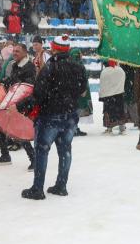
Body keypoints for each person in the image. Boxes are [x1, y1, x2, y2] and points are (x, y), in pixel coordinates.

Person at [19, 34, 88, 200]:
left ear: (54, 48)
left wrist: (22, 105)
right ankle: (61, 185)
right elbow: (82, 89)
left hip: (50, 115)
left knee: (42, 150)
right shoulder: (78, 67)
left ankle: (37, 189)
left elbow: (39, 93)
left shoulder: (50, 67)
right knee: (65, 150)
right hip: (70, 115)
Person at [0, 43, 37, 167]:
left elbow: (28, 88)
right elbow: (13, 80)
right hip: (13, 100)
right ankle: (5, 155)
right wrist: (1, 82)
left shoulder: (30, 67)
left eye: (18, 51)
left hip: (24, 102)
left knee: (19, 128)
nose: (14, 53)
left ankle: (33, 159)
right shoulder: (15, 65)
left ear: (25, 53)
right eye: (14, 51)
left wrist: (20, 105)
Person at [99, 60, 127, 134]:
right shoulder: (121, 70)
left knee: (109, 112)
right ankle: (122, 128)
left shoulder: (104, 72)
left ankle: (109, 129)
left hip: (108, 96)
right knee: (120, 112)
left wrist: (102, 95)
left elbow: (103, 85)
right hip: (119, 95)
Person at [69, 47, 93, 136]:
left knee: (73, 111)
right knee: (76, 111)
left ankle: (73, 128)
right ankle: (74, 129)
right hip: (80, 92)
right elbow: (84, 79)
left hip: (72, 92)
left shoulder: (69, 64)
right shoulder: (80, 65)